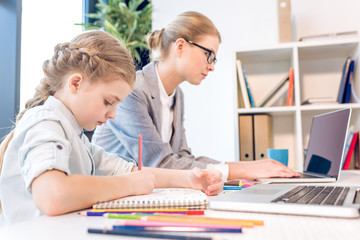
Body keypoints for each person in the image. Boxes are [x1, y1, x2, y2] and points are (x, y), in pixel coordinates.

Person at [0, 30, 223, 226]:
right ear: (75, 83)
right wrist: (127, 185)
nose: (113, 114)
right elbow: (51, 195)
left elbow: (130, 171)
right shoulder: (45, 123)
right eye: (108, 101)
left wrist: (189, 179)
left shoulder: (76, 137)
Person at [92, 11, 300, 181]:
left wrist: (241, 170)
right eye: (208, 54)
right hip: (110, 193)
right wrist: (244, 169)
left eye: (214, 59)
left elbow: (182, 157)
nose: (211, 66)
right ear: (180, 46)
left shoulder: (177, 95)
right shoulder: (133, 89)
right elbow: (159, 162)